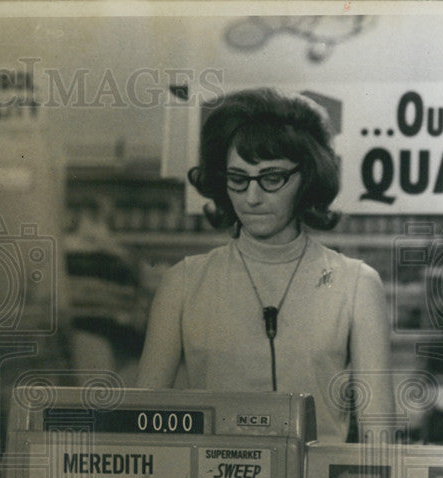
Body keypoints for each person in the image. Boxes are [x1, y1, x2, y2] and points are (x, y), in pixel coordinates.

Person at [136, 87, 394, 441]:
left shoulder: (357, 284)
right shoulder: (182, 283)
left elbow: (378, 439)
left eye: (272, 178)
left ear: (308, 176)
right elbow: (140, 428)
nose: (253, 198)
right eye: (238, 180)